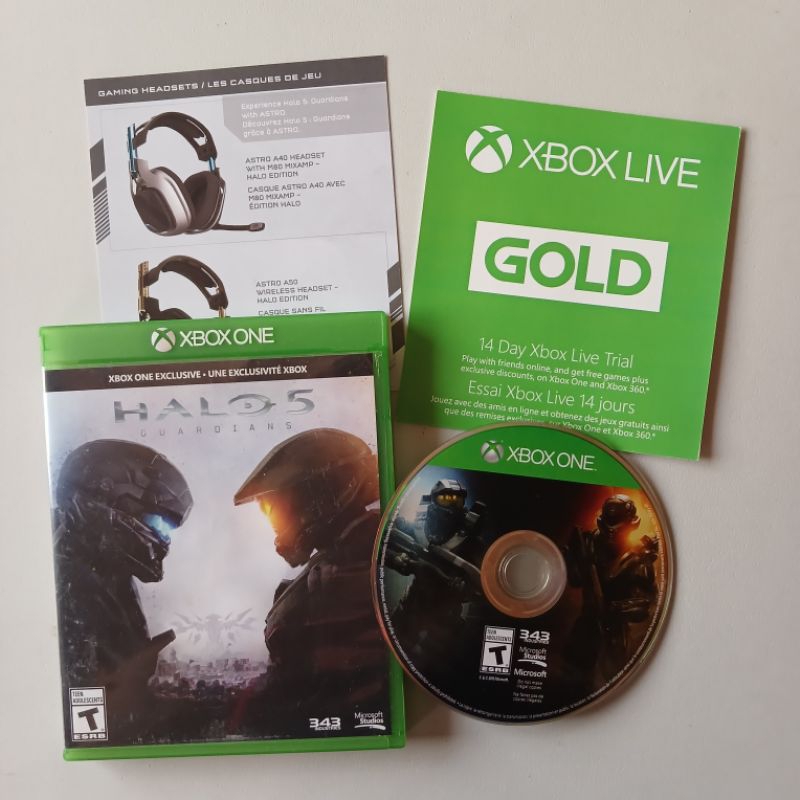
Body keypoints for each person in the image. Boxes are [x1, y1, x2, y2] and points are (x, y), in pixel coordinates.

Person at [234, 428, 387, 728]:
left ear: (320, 495)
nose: (273, 522)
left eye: (273, 506)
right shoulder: (360, 547)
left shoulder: (354, 561)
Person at [53, 439, 193, 738]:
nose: (163, 538)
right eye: (157, 521)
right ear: (104, 496)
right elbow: (90, 718)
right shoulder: (71, 583)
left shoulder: (108, 575)